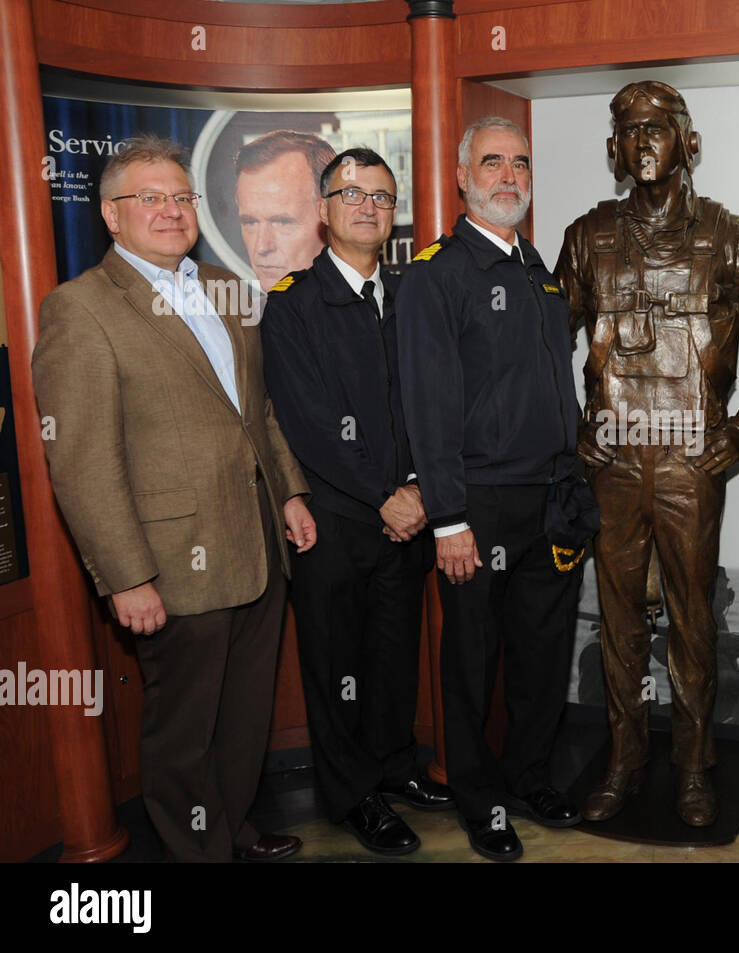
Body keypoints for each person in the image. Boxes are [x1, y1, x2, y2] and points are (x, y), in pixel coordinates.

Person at [32, 134, 316, 862]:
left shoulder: (226, 286)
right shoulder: (80, 309)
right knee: (184, 730)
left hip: (256, 541)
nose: (169, 211)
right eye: (147, 198)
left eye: (180, 197)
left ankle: (233, 832)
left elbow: (259, 412)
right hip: (170, 563)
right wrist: (126, 575)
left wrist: (288, 493)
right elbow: (83, 460)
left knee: (243, 716)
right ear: (110, 214)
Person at [555, 80, 739, 827]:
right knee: (617, 622)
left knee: (692, 622)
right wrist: (571, 427)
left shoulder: (731, 236)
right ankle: (624, 759)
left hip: (689, 461)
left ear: (690, 142)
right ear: (612, 149)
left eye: (658, 126)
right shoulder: (587, 237)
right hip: (613, 462)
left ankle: (693, 765)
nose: (642, 139)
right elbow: (532, 345)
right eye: (628, 129)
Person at [398, 117, 584, 862]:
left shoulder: (536, 266)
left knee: (543, 652)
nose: (508, 176)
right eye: (492, 163)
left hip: (551, 499)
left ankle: (531, 774)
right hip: (477, 504)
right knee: (471, 661)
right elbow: (427, 405)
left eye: (519, 163)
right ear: (461, 176)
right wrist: (447, 518)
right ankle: (481, 799)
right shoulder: (436, 274)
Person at [259, 147, 456, 856]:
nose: (368, 205)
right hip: (338, 523)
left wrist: (423, 490)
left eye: (381, 195)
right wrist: (383, 494)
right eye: (352, 193)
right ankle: (351, 794)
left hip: (410, 519)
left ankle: (395, 766)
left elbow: (441, 400)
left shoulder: (414, 295)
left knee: (394, 657)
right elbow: (309, 421)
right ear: (322, 211)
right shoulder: (292, 304)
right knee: (338, 665)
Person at [235, 130, 336, 292]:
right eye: (250, 222)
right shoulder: (232, 315)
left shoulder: (378, 312)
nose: (261, 247)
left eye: (282, 222)